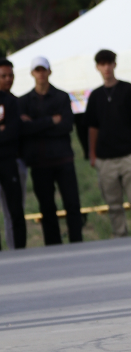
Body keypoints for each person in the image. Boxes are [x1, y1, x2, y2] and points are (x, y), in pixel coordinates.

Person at [19, 56, 83, 245]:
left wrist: (36, 124)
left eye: (43, 70)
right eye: (37, 70)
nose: (41, 74)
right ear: (32, 73)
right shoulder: (25, 101)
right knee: (47, 207)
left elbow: (66, 125)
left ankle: (76, 241)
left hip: (63, 158)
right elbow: (25, 129)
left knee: (72, 203)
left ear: (49, 71)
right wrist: (50, 121)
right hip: (40, 161)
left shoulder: (61, 96)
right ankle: (53, 245)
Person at [86, 50, 131, 237]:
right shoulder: (96, 96)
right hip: (106, 158)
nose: (106, 67)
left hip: (128, 154)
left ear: (114, 64)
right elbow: (92, 127)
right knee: (113, 204)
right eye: (102, 64)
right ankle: (120, 235)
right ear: (98, 67)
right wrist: (92, 154)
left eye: (109, 63)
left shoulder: (128, 90)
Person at [0, 58, 27, 248]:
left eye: (10, 75)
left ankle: (18, 249)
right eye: (3, 76)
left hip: (10, 160)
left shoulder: (14, 102)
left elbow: (13, 131)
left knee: (15, 210)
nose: (8, 79)